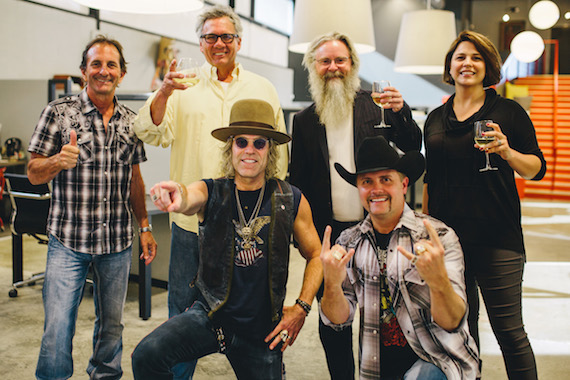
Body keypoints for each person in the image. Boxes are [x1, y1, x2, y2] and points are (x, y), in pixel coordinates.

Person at [133, 6, 288, 377]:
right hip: (192, 227)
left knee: (256, 315)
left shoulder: (262, 88)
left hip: (249, 227)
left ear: (239, 41)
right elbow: (149, 131)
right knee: (182, 318)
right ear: (200, 43)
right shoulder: (181, 87)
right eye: (210, 37)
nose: (219, 43)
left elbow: (278, 158)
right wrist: (164, 92)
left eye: (226, 37)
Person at [131, 99, 322, 380]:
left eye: (259, 143)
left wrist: (302, 308)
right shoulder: (213, 191)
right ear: (230, 147)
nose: (249, 151)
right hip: (210, 316)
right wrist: (178, 195)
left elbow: (316, 255)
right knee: (147, 355)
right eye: (241, 142)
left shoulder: (289, 198)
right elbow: (189, 196)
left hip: (261, 331)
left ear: (270, 151)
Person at [289, 32, 421, 379]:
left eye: (340, 60)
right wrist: (302, 237)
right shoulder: (303, 121)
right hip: (328, 235)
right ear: (313, 68)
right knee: (334, 319)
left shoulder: (376, 105)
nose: (333, 67)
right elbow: (297, 182)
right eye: (325, 61)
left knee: (386, 315)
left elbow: (411, 146)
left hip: (378, 229)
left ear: (352, 65)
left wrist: (401, 111)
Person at [28, 35, 157, 380]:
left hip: (116, 243)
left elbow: (135, 180)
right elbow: (33, 173)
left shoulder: (132, 122)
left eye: (111, 64)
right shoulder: (57, 113)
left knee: (112, 327)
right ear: (83, 71)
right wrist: (57, 160)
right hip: (68, 241)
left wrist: (144, 226)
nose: (103, 71)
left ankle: (105, 375)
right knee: (57, 327)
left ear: (122, 73)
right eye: (96, 64)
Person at [423, 31, 546, 379]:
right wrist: (429, 233)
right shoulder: (434, 118)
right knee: (463, 332)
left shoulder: (507, 112)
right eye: (461, 57)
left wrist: (507, 152)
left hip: (497, 238)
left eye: (476, 58)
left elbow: (536, 169)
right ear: (450, 65)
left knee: (509, 332)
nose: (468, 64)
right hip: (450, 243)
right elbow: (431, 179)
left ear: (488, 66)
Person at [320, 135, 479, 380]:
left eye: (386, 179)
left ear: (404, 185)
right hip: (376, 370)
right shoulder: (349, 243)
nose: (376, 189)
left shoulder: (438, 237)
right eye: (367, 181)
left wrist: (438, 282)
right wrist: (330, 283)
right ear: (359, 189)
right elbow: (338, 321)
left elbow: (452, 321)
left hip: (439, 361)